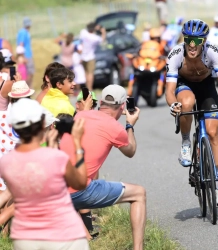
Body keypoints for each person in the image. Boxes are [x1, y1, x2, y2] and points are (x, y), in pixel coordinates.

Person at [60, 85, 146, 250]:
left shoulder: (78, 115)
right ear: (122, 107)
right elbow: (131, 151)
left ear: (100, 102)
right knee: (139, 194)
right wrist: (130, 125)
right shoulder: (115, 128)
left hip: (56, 188)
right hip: (78, 191)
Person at [0, 98, 89, 250]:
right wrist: (78, 145)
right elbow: (81, 183)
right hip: (63, 235)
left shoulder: (7, 162)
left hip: (25, 238)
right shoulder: (56, 158)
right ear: (42, 124)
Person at [165, 19, 218, 206]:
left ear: (204, 40)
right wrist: (173, 105)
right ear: (184, 39)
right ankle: (186, 142)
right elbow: (169, 91)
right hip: (184, 84)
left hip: (206, 86)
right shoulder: (176, 54)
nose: (192, 45)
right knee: (187, 103)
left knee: (213, 133)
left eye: (197, 40)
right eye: (189, 39)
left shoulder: (212, 51)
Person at [80, 22, 106, 90]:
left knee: (85, 73)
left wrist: (94, 27)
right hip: (90, 57)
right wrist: (103, 32)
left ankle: (86, 88)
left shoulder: (83, 33)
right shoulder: (95, 38)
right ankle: (90, 88)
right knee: (90, 73)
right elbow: (102, 40)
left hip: (83, 56)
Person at [16, 17, 34, 87]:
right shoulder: (23, 32)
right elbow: (21, 44)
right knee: (29, 72)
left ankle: (29, 87)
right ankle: (28, 87)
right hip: (26, 55)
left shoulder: (25, 32)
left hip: (27, 55)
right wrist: (22, 57)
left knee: (29, 72)